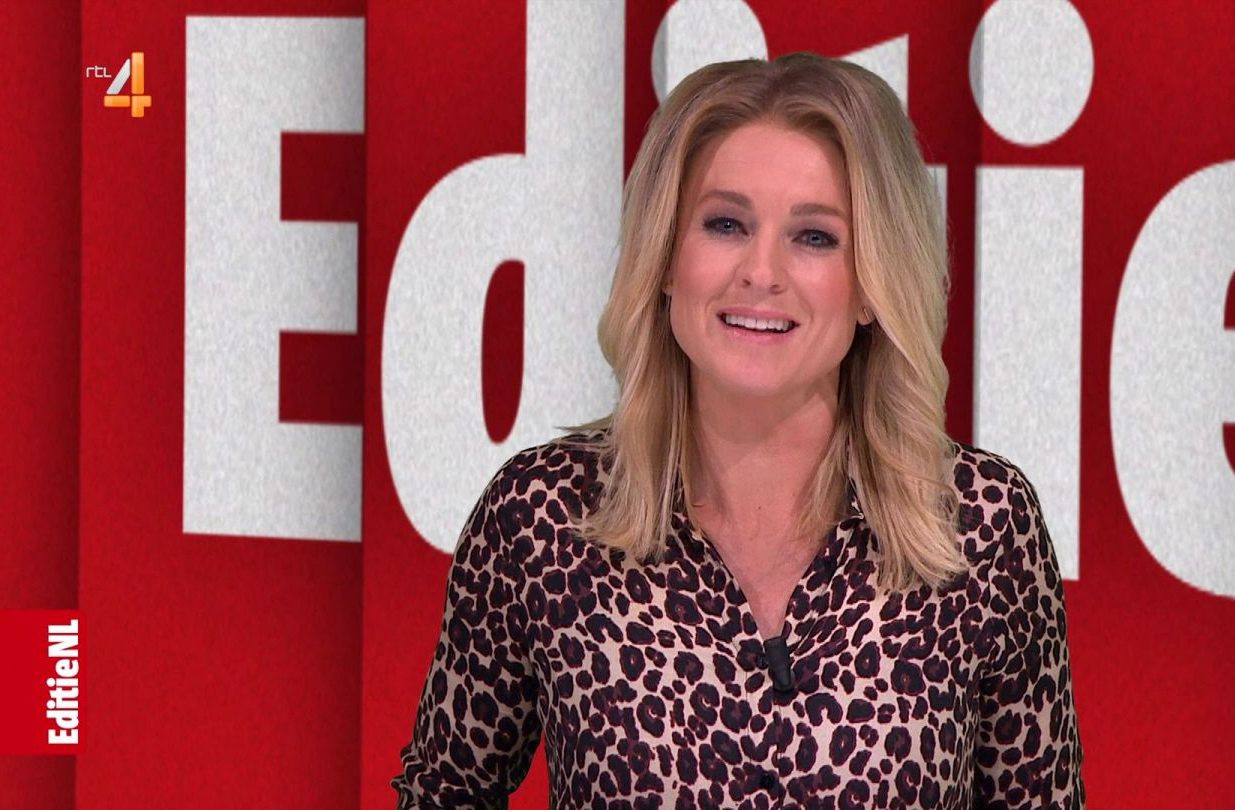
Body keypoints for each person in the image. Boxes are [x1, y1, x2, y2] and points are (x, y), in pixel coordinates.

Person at [391, 51, 1085, 809]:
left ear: (872, 286)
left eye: (814, 237)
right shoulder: (544, 516)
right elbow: (442, 790)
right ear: (665, 261)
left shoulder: (982, 525)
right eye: (726, 224)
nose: (762, 272)